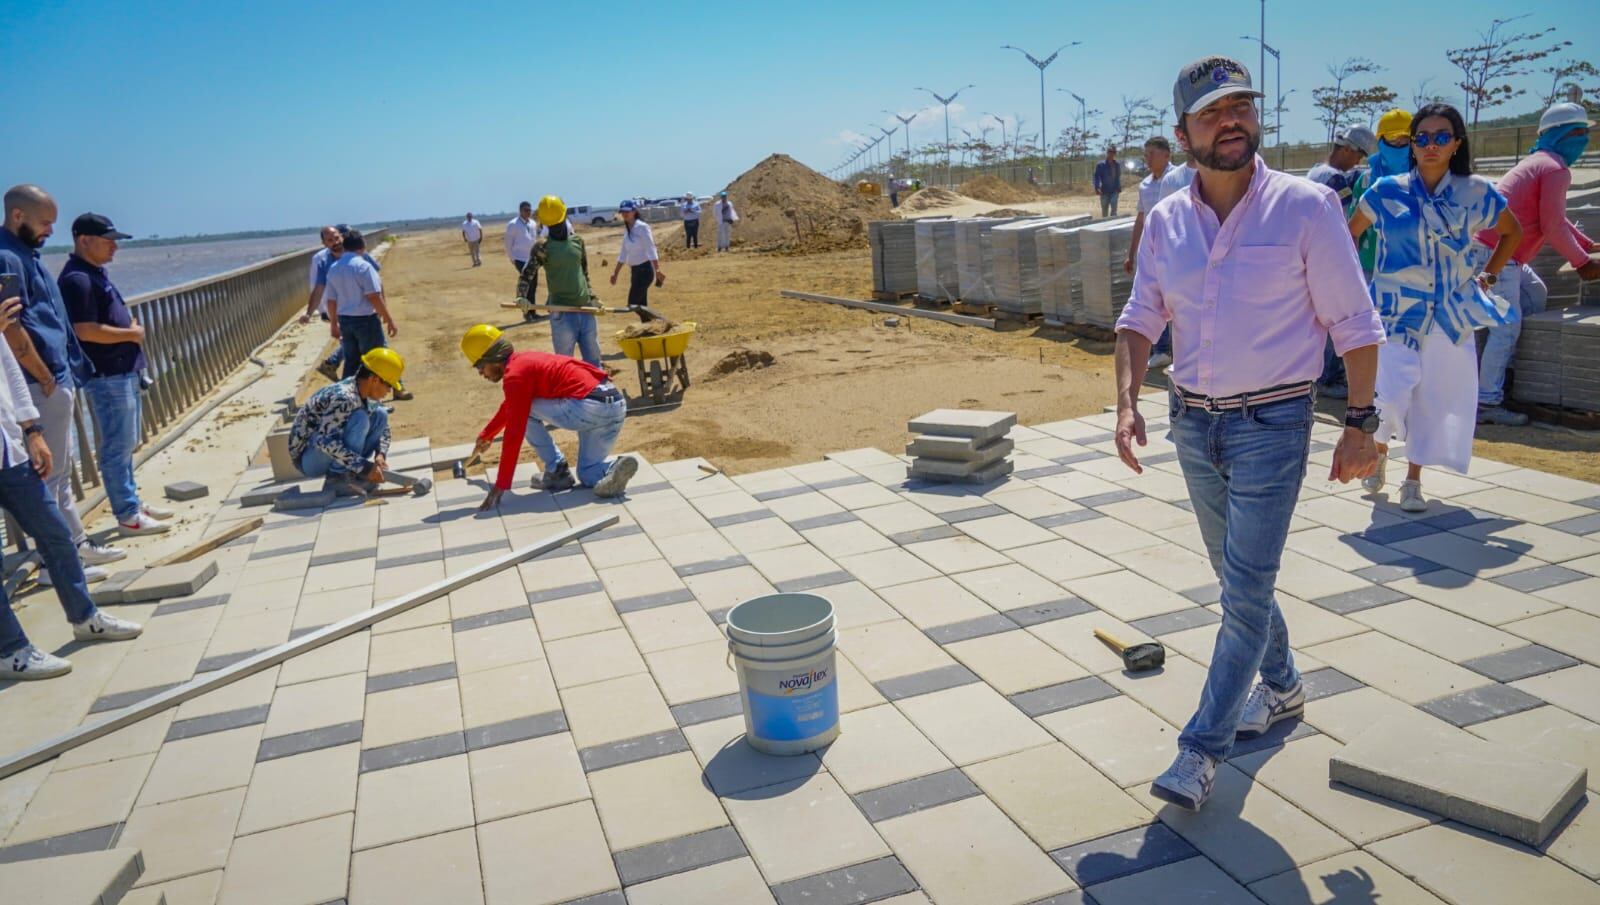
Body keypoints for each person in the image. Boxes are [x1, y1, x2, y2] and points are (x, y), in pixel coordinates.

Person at [1113, 56, 1383, 812]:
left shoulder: (1305, 209)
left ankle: (1201, 749)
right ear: (1181, 133)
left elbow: (1355, 324)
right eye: (1211, 112)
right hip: (1193, 425)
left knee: (1244, 592)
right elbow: (1140, 319)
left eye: (1241, 107)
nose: (1231, 120)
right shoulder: (1167, 219)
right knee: (1241, 582)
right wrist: (1127, 400)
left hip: (1274, 423)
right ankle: (1286, 685)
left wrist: (1360, 422)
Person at [1350, 104, 1522, 513]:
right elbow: (1347, 236)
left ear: (1457, 143)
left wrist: (1489, 277)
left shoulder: (1476, 192)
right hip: (1394, 314)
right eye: (1422, 138)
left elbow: (1512, 232)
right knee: (1390, 395)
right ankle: (1379, 449)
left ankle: (1413, 480)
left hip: (1450, 315)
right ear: (1412, 144)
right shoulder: (1385, 191)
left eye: (1441, 137)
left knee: (1433, 397)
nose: (1431, 145)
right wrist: (1354, 287)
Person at [0, 323, 141, 680]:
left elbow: (11, 373)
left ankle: (85, 617)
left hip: (11, 451)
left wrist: (32, 430)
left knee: (56, 533)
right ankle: (10, 650)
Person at [0, 185, 126, 584]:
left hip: (54, 377)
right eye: (45, 222)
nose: (52, 231)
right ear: (18, 216)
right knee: (50, 478)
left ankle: (75, 543)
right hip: (43, 383)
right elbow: (12, 329)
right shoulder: (6, 257)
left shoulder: (26, 254)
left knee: (62, 470)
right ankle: (60, 565)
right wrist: (42, 375)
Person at [1475, 101, 1598, 426]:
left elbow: (1555, 217)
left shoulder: (1539, 162)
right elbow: (1552, 226)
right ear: (1562, 135)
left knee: (1535, 294)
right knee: (1505, 328)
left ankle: (1509, 373)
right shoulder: (1555, 169)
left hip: (1495, 250)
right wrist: (1583, 263)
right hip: (1499, 255)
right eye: (1579, 133)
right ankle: (1486, 402)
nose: (1584, 140)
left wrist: (1587, 246)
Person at [59, 213, 174, 537]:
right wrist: (131, 334)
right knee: (116, 446)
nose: (114, 247)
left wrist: (129, 331)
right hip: (107, 375)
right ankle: (127, 514)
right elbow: (84, 330)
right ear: (84, 240)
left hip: (122, 372)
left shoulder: (93, 274)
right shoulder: (77, 279)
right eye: (108, 241)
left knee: (127, 443)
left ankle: (132, 502)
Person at [460, 324, 638, 510]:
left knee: (525, 409)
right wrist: (488, 434)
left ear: (493, 359)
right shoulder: (525, 361)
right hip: (615, 404)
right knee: (586, 473)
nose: (481, 374)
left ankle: (556, 470)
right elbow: (511, 405)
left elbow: (515, 429)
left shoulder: (515, 375)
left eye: (480, 367)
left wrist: (501, 485)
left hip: (589, 406)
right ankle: (613, 468)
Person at [289, 348, 428, 497]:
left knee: (380, 414)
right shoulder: (344, 397)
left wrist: (380, 455)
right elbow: (325, 441)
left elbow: (384, 429)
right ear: (374, 379)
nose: (389, 391)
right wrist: (365, 468)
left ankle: (349, 473)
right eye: (389, 385)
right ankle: (337, 479)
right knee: (360, 419)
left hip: (324, 451)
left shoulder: (365, 393)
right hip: (309, 459)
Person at [1305, 125, 1379, 399]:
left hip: (1314, 253)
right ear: (1346, 149)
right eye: (1357, 155)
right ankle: (1328, 378)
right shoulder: (1336, 181)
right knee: (1339, 319)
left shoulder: (1315, 171)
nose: (1358, 161)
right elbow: (1349, 218)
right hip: (1330, 253)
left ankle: (1324, 375)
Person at [517, 196, 602, 367]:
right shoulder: (542, 248)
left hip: (585, 309)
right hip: (561, 313)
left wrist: (592, 296)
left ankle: (598, 393)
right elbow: (526, 275)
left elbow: (584, 274)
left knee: (594, 365)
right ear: (564, 215)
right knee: (565, 367)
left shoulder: (578, 242)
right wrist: (521, 297)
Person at [323, 229, 402, 388]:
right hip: (366, 320)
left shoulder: (334, 268)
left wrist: (333, 324)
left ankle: (347, 397)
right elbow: (373, 296)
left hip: (345, 320)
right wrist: (388, 318)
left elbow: (331, 300)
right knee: (374, 360)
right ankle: (373, 400)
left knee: (351, 361)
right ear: (362, 246)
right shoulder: (363, 267)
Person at [1128, 137, 1178, 369]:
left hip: (1176, 249)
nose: (1147, 159)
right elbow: (1141, 218)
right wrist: (1133, 251)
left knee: (1176, 299)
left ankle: (1176, 350)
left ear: (1167, 155)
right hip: (1153, 249)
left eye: (1152, 154)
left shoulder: (1179, 179)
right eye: (1145, 154)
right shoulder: (1145, 186)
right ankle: (1161, 349)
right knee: (1154, 299)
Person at [299, 226, 348, 381]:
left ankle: (331, 364)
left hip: (356, 309)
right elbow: (317, 288)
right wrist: (315, 312)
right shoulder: (322, 261)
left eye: (336, 238)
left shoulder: (354, 254)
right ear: (324, 243)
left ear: (342, 236)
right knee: (358, 344)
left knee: (354, 343)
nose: (335, 242)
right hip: (337, 311)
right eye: (330, 240)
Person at [611, 200, 662, 322]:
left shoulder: (642, 227)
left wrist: (658, 270)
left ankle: (659, 320)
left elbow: (651, 249)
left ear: (634, 211)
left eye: (627, 211)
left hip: (645, 271)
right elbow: (623, 254)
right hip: (635, 272)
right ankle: (648, 325)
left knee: (632, 303)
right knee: (641, 304)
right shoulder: (627, 230)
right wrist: (615, 273)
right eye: (622, 212)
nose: (624, 214)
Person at [1093, 147, 1123, 217]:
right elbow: (1097, 177)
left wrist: (1118, 187)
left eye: (1113, 152)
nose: (1111, 154)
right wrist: (1097, 187)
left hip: (1114, 190)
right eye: (1110, 152)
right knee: (1104, 211)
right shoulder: (1100, 165)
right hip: (1104, 191)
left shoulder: (1117, 165)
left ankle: (1113, 225)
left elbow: (1117, 177)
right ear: (1107, 153)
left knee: (1114, 209)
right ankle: (1105, 225)